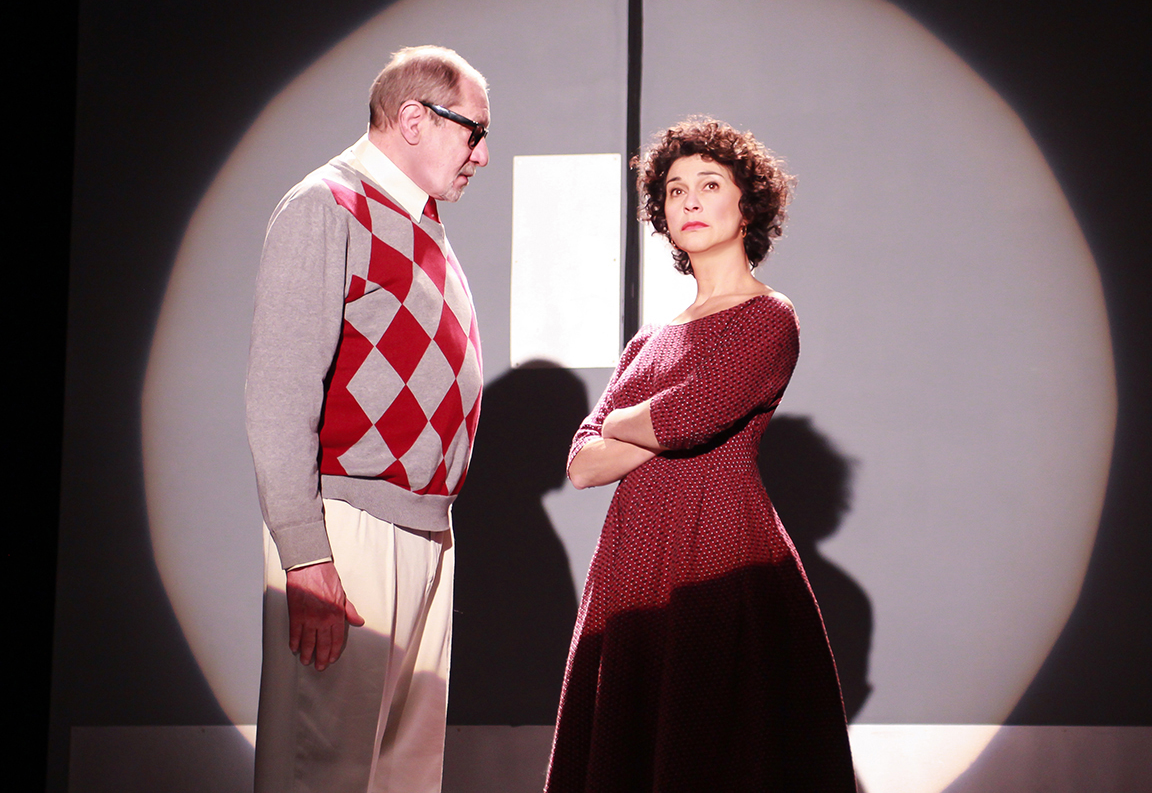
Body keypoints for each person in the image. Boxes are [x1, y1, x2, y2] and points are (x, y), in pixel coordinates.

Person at [544, 118, 857, 792]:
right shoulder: (647, 340)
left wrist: (621, 422)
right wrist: (651, 424)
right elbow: (582, 463)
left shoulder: (770, 316)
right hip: (632, 558)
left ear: (748, 205)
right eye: (675, 189)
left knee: (711, 745)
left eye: (709, 185)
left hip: (718, 550)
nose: (689, 200)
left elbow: (688, 421)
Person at [246, 45, 489, 793]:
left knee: (402, 773)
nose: (482, 154)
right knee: (324, 765)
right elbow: (278, 395)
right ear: (414, 118)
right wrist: (305, 557)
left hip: (427, 528)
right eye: (474, 131)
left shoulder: (421, 220)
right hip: (350, 529)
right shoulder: (326, 205)